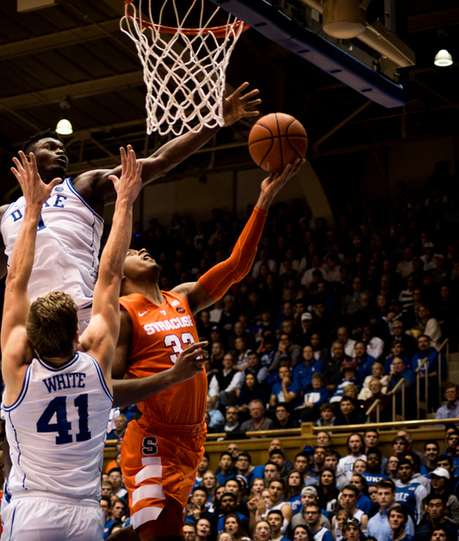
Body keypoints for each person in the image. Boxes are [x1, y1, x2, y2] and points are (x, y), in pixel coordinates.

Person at [0, 84, 261, 333]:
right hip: (33, 322)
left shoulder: (86, 186)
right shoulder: (3, 215)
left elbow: (157, 162)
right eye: (49, 145)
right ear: (27, 157)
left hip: (83, 312)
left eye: (60, 146)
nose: (59, 148)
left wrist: (214, 123)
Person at [111, 160, 302, 541]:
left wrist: (264, 199)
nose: (144, 248)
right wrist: (173, 375)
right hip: (153, 441)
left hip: (192, 438)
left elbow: (235, 267)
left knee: (149, 533)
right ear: (118, 274)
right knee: (163, 534)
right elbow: (109, 390)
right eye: (133, 251)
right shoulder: (121, 314)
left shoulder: (180, 297)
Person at [0, 147, 142, 540]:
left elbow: (15, 281)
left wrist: (32, 210)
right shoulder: (95, 360)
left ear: (31, 338)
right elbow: (110, 276)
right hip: (84, 514)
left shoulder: (19, 371)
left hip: (32, 510)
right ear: (78, 334)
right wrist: (125, 201)